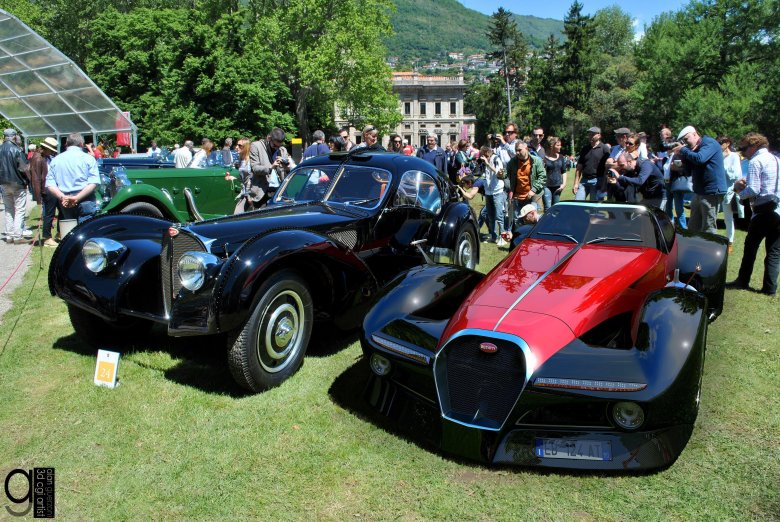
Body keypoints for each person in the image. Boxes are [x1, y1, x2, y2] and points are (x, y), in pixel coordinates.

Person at [727, 132, 779, 295]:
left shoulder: (756, 161)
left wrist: (738, 190)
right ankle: (770, 288)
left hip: (763, 211)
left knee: (750, 247)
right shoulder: (776, 159)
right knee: (774, 251)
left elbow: (754, 190)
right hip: (778, 210)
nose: (742, 153)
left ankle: (742, 281)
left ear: (754, 146)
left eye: (743, 149)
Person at [671, 125, 727, 234]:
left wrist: (683, 150)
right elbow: (688, 172)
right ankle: (693, 244)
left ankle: (709, 245)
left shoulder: (709, 143)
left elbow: (700, 159)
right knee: (693, 227)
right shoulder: (693, 150)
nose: (685, 143)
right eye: (683, 141)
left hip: (711, 191)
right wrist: (682, 156)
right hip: (699, 191)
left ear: (695, 134)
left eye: (686, 139)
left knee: (708, 227)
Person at [45, 133, 100, 224]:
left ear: (66, 144)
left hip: (65, 199)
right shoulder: (89, 159)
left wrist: (62, 197)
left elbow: (50, 184)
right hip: (85, 198)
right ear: (82, 144)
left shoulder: (56, 160)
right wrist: (77, 197)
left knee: (70, 228)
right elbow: (93, 182)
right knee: (86, 228)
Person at [469, 146, 506, 246]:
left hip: (497, 191)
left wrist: (488, 164)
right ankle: (494, 237)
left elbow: (499, 173)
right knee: (490, 216)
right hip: (488, 191)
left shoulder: (496, 159)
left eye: (484, 156)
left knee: (499, 215)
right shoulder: (485, 162)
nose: (483, 158)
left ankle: (503, 237)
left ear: (487, 154)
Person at [0, 129, 30, 243]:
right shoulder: (17, 150)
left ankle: (9, 235)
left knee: (8, 209)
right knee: (19, 210)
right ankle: (17, 236)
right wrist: (28, 180)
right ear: (13, 137)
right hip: (17, 183)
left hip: (3, 183)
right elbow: (24, 168)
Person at [249, 128, 292, 207]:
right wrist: (271, 167)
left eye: (279, 146)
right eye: (275, 145)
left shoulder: (282, 150)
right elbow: (255, 168)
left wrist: (286, 167)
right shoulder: (256, 146)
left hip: (279, 191)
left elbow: (288, 172)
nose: (277, 148)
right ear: (269, 138)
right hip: (262, 192)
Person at [507, 141, 546, 229]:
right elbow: (506, 174)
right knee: (518, 222)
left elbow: (542, 177)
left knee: (533, 221)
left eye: (519, 150)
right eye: (516, 150)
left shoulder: (536, 161)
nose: (517, 153)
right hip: (518, 197)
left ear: (526, 149)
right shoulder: (512, 162)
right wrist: (500, 174)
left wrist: (533, 190)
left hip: (533, 196)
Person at [29, 137, 59, 246]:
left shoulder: (45, 157)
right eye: (51, 150)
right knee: (49, 214)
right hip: (46, 189)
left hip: (52, 187)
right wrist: (39, 197)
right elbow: (36, 179)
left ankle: (58, 233)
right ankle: (47, 238)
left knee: (57, 212)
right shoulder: (38, 159)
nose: (52, 152)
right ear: (46, 148)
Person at [718, 136, 743, 253]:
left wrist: (721, 165)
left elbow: (735, 174)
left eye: (721, 143)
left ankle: (730, 242)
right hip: (718, 190)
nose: (719, 145)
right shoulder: (718, 156)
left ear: (727, 143)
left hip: (729, 191)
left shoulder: (734, 156)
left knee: (728, 218)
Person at [573, 126, 610, 201]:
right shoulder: (585, 149)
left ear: (599, 135)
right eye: (589, 134)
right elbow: (579, 167)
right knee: (577, 202)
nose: (590, 136)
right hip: (584, 181)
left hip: (597, 181)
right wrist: (576, 183)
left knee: (593, 205)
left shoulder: (604, 148)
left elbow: (607, 168)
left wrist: (604, 184)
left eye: (593, 134)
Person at [542, 136, 567, 209]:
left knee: (556, 207)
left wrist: (564, 184)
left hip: (558, 187)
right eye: (558, 145)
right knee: (548, 207)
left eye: (560, 145)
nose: (560, 147)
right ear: (552, 146)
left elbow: (564, 171)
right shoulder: (544, 158)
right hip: (546, 186)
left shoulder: (561, 157)